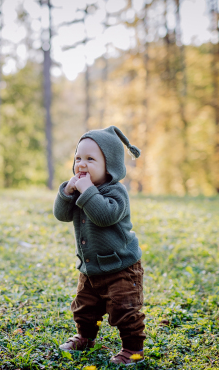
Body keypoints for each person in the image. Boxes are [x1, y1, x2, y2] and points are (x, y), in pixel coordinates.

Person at [53, 125, 145, 365]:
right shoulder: (80, 190)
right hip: (90, 268)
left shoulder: (116, 192)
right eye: (78, 158)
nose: (81, 164)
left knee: (125, 311)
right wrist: (67, 191)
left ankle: (132, 349)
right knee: (85, 308)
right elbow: (61, 215)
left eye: (90, 159)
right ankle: (85, 337)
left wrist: (87, 191)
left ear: (110, 166)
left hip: (121, 268)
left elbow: (104, 215)